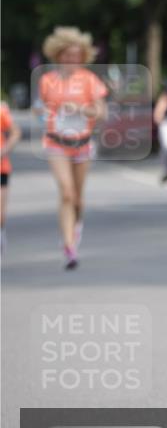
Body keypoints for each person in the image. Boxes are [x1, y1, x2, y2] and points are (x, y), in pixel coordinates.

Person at [37, 27, 108, 269]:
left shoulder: (89, 80)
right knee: (66, 192)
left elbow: (101, 112)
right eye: (67, 55)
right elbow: (41, 109)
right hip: (56, 142)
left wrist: (81, 109)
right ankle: (68, 246)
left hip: (83, 142)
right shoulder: (47, 80)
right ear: (58, 55)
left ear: (83, 57)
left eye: (76, 55)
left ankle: (76, 225)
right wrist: (43, 113)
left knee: (77, 198)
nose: (72, 60)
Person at [1, 101, 22, 251]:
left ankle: (0, 232)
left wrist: (4, 151)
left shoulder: (1, 111)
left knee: (0, 214)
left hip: (1, 168)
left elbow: (15, 132)